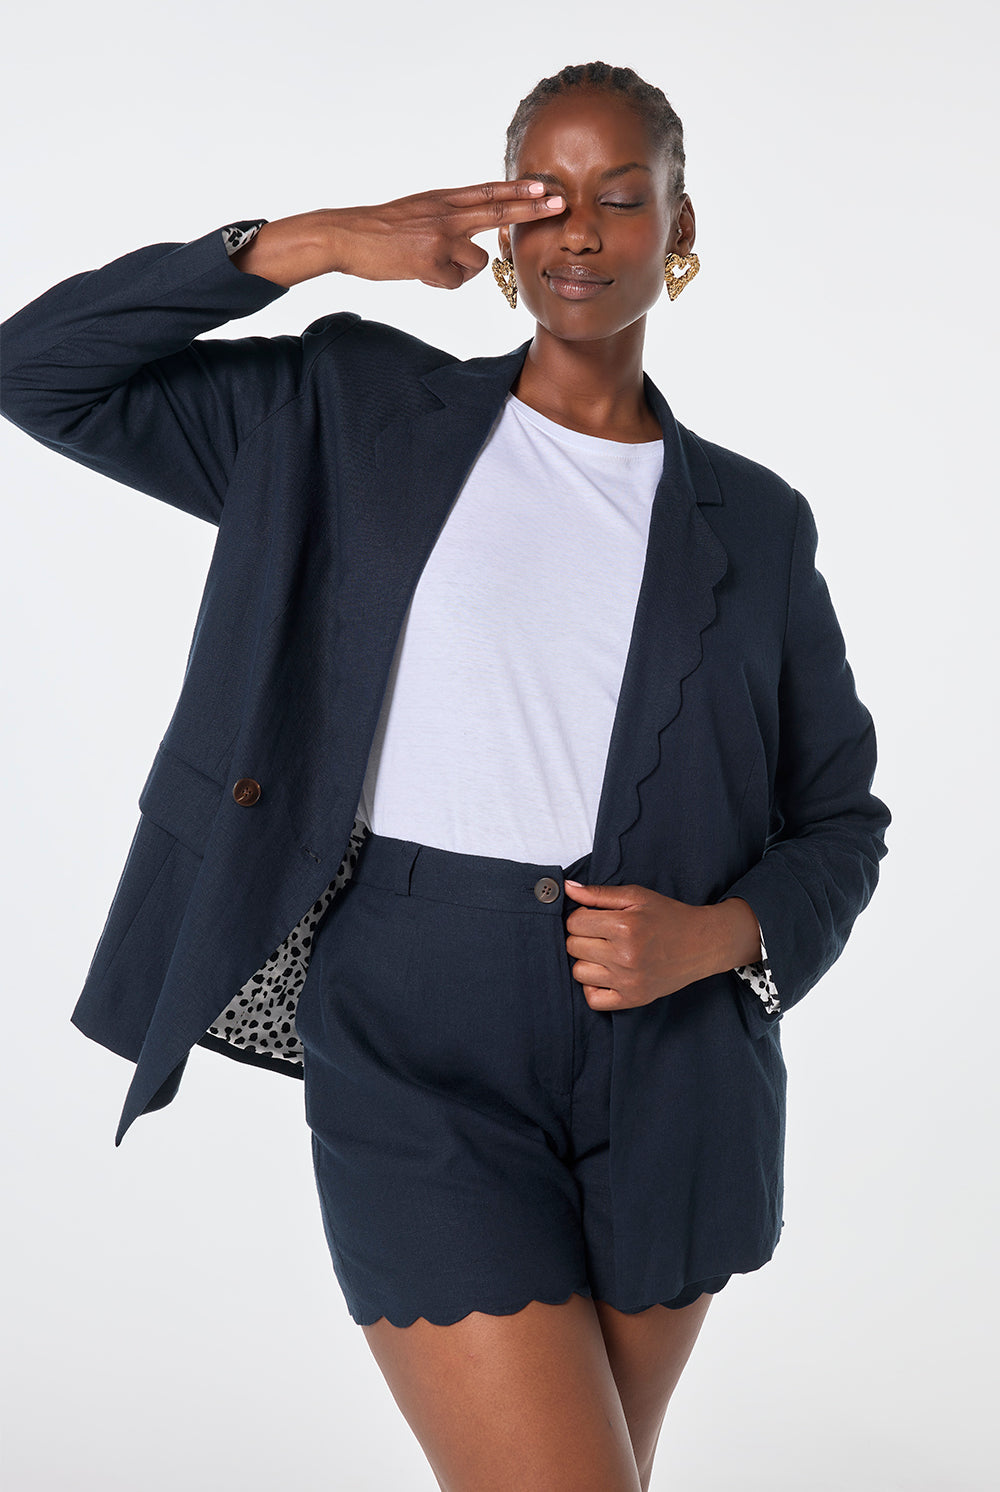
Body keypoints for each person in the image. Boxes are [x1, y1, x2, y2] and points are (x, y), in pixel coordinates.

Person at [1, 60, 890, 1492]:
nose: (580, 231)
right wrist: (311, 242)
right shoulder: (353, 414)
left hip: (671, 1060)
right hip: (414, 1028)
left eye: (621, 198)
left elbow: (842, 817)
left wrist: (721, 935)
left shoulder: (758, 523)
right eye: (546, 197)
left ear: (678, 227)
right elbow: (36, 370)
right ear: (505, 226)